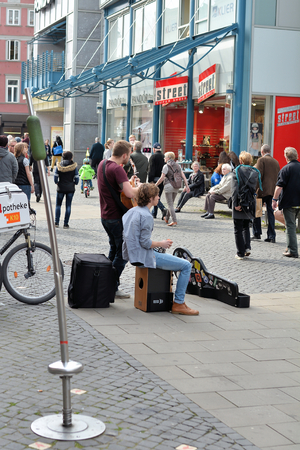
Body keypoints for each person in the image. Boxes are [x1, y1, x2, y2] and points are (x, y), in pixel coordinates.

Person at [122, 183, 199, 315]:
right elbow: (145, 243)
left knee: (168, 256)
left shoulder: (131, 211)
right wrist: (161, 243)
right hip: (143, 255)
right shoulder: (146, 216)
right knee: (186, 265)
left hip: (132, 253)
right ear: (150, 198)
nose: (159, 197)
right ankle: (179, 303)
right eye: (157, 195)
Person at [97, 140, 140, 299]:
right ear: (124, 155)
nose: (129, 158)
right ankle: (112, 287)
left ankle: (106, 284)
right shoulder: (118, 169)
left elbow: (116, 188)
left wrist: (129, 183)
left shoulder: (103, 164)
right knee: (122, 254)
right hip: (116, 218)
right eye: (129, 155)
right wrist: (140, 187)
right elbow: (129, 194)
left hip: (106, 216)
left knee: (114, 250)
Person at [232, 151, 262, 260]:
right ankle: (247, 247)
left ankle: (240, 252)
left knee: (237, 228)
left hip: (240, 201)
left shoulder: (237, 171)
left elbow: (235, 189)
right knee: (246, 226)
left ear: (240, 160)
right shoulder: (255, 172)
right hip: (250, 202)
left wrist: (235, 204)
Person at [272, 147, 300, 258]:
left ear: (286, 157)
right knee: (292, 226)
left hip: (290, 202)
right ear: (296, 156)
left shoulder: (285, 169)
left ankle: (292, 250)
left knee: (290, 226)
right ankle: (290, 247)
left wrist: (274, 200)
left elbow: (279, 187)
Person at [252, 144, 280, 243]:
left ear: (262, 151)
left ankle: (257, 233)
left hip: (261, 191)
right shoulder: (276, 162)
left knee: (258, 212)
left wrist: (254, 190)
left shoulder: (261, 160)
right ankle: (272, 236)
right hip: (272, 191)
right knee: (271, 213)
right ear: (270, 151)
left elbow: (258, 176)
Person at [155, 152, 190, 227]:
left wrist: (155, 185)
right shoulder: (178, 165)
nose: (164, 158)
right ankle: (167, 218)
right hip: (176, 186)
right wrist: (187, 186)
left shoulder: (166, 166)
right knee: (171, 204)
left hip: (168, 186)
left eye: (165, 157)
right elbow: (183, 176)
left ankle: (174, 220)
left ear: (168, 158)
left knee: (170, 204)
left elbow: (162, 178)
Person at [54, 150, 79, 228]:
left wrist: (57, 182)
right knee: (68, 206)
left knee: (58, 205)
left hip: (61, 187)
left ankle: (56, 222)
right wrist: (74, 183)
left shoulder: (59, 165)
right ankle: (65, 223)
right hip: (70, 188)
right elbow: (77, 179)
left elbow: (55, 178)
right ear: (71, 158)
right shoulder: (73, 167)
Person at [148, 143, 168, 219]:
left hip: (155, 179)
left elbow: (151, 169)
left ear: (153, 149)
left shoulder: (153, 157)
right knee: (158, 196)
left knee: (153, 196)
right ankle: (154, 213)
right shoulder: (163, 157)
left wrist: (150, 181)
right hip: (162, 179)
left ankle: (163, 208)